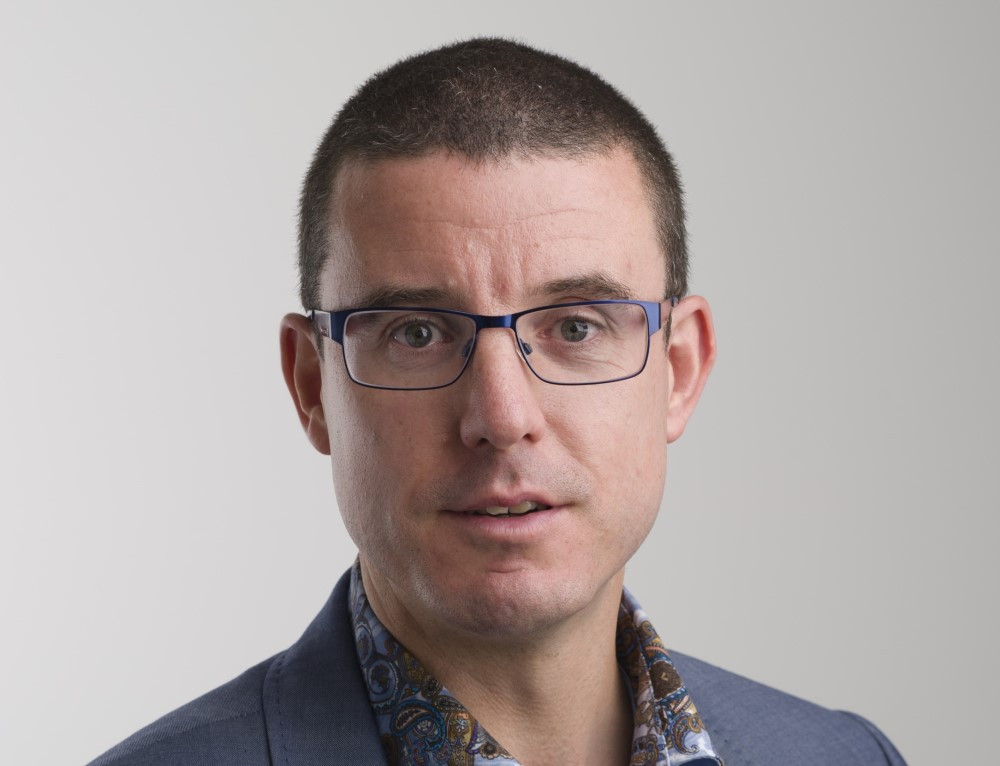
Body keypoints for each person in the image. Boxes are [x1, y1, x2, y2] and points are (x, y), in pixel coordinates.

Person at [89, 38, 906, 766]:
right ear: (312, 386)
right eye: (416, 333)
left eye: (577, 327)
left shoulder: (846, 755)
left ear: (680, 370)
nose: (502, 417)